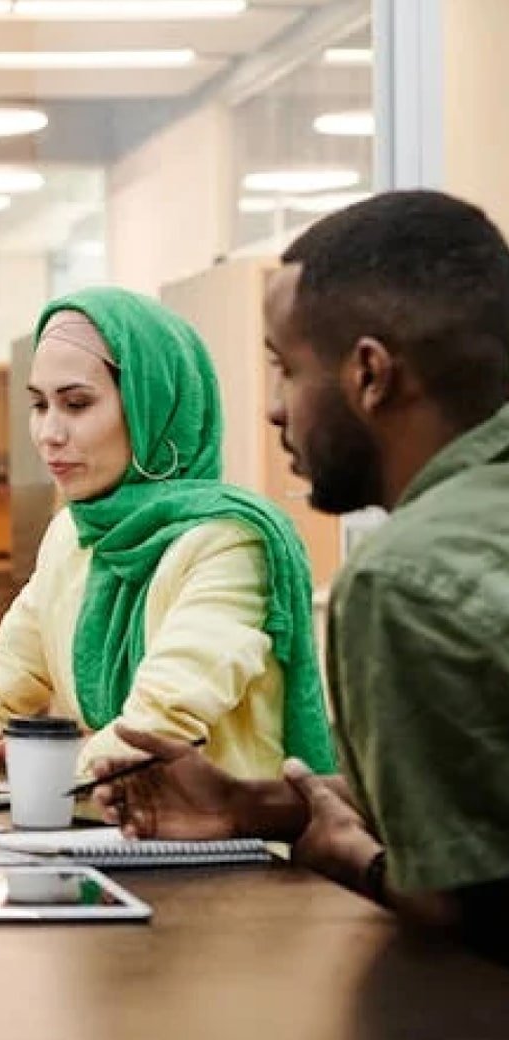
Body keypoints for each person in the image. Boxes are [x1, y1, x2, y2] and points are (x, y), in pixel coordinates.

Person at [89, 191, 509, 960]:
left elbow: (472, 923)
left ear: (370, 375)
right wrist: (249, 805)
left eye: (285, 369)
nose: (274, 410)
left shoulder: (404, 580)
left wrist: (357, 863)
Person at [0, 286, 334, 783]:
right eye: (39, 405)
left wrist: (37, 764)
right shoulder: (73, 533)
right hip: (97, 819)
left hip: (219, 831)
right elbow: (9, 665)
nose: (49, 434)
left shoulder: (231, 543)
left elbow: (157, 728)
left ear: (152, 407)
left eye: (77, 404)